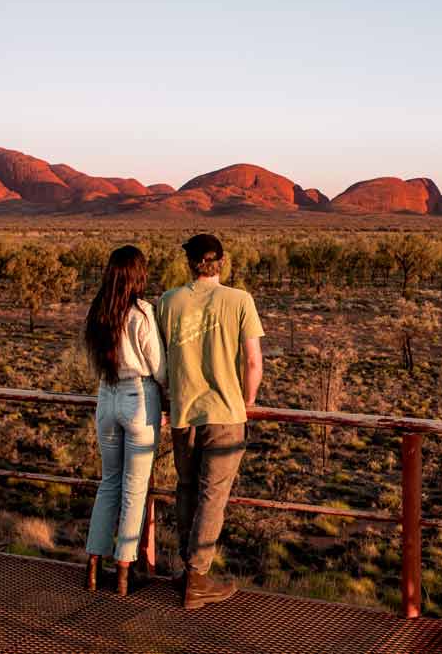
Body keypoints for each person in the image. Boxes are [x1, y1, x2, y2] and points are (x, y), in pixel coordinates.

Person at [157, 233, 263, 609]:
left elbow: (161, 362)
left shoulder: (168, 301)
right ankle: (198, 578)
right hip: (225, 414)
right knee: (212, 497)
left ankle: (188, 573)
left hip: (184, 414)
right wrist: (247, 400)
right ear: (221, 262)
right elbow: (253, 361)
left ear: (190, 263)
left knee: (186, 490)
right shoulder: (240, 300)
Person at [81, 245, 166, 596]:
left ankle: (93, 565)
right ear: (137, 275)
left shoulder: (98, 312)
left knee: (109, 483)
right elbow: (158, 366)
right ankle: (124, 571)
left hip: (106, 397)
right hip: (138, 398)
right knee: (134, 489)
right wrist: (171, 397)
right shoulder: (141, 312)